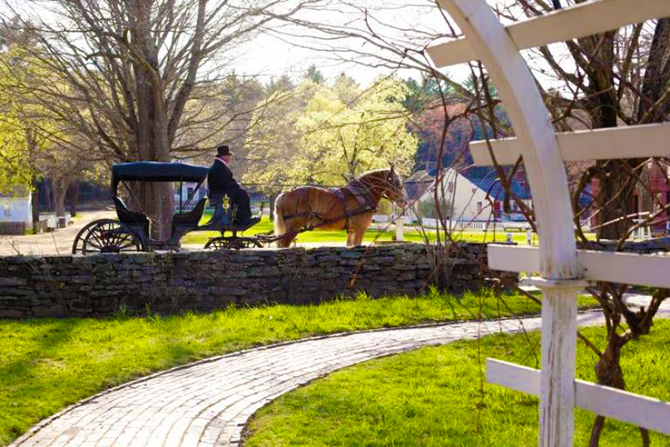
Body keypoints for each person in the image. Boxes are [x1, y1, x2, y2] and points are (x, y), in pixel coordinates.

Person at [208, 145, 254, 225]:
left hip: (221, 191)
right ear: (223, 156)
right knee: (243, 195)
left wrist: (236, 186)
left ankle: (241, 217)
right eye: (228, 156)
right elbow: (225, 182)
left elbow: (227, 181)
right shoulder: (219, 167)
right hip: (221, 193)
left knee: (242, 194)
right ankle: (243, 219)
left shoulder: (219, 166)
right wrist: (236, 186)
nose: (230, 158)